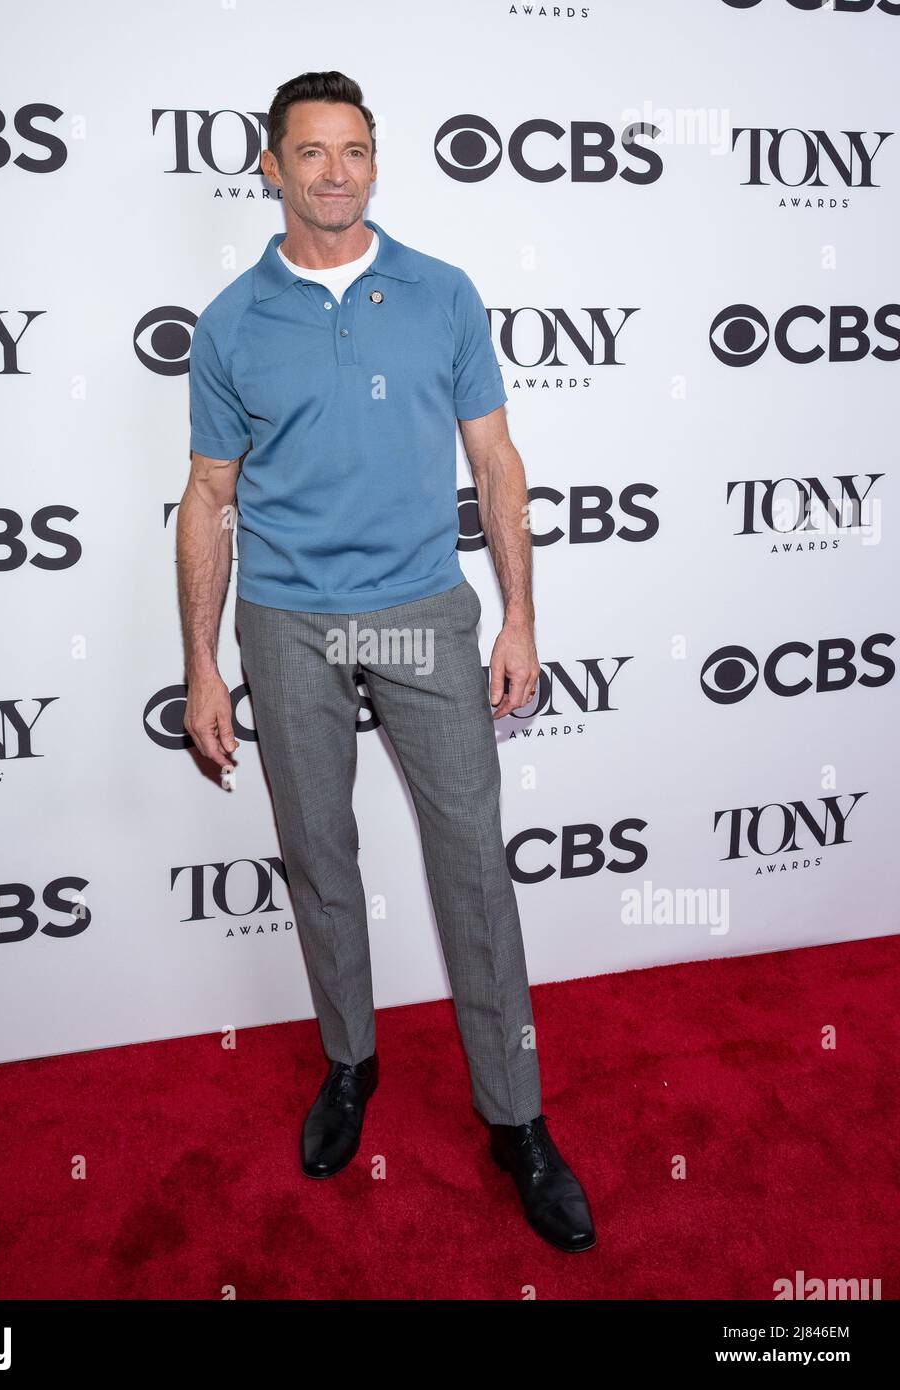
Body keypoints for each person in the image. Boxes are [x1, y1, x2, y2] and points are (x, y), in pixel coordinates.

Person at [176, 70, 595, 1254]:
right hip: (286, 616)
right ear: (270, 166)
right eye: (308, 152)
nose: (334, 171)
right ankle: (349, 1065)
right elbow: (207, 500)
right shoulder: (229, 323)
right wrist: (201, 667)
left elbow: (497, 462)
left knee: (471, 863)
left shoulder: (441, 292)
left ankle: (516, 1121)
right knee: (318, 855)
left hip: (420, 610)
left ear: (375, 158)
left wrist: (517, 615)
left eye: (353, 148)